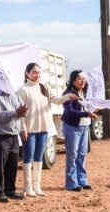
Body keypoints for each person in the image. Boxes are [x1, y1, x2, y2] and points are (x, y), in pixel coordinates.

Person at [18, 63, 77, 197]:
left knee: (39, 157)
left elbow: (55, 100)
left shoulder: (44, 87)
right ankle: (27, 187)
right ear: (27, 73)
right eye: (34, 72)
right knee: (28, 157)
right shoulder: (23, 90)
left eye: (39, 72)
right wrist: (23, 129)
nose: (37, 74)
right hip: (30, 128)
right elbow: (21, 112)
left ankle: (37, 186)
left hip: (44, 128)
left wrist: (68, 97)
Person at [0, 88, 27, 202]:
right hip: (0, 136)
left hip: (14, 135)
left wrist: (23, 111)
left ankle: (10, 190)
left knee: (12, 166)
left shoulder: (14, 95)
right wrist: (16, 112)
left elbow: (20, 112)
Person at [62, 70, 98, 191]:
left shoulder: (86, 93)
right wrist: (86, 114)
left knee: (82, 154)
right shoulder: (68, 94)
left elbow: (89, 108)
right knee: (72, 155)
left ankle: (82, 181)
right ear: (73, 81)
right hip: (72, 127)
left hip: (84, 126)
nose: (82, 81)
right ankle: (71, 184)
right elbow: (70, 112)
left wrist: (94, 110)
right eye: (79, 79)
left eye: (83, 79)